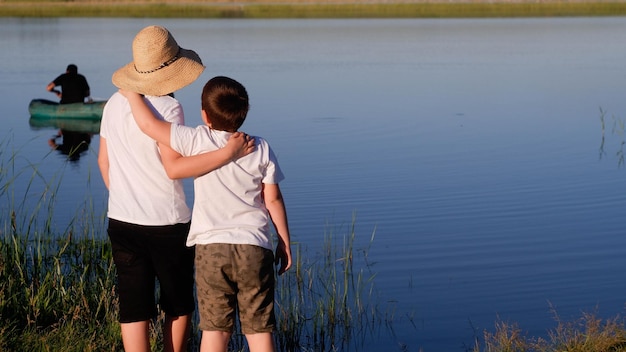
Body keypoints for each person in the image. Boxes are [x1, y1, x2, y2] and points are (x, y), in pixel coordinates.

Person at [97, 26, 254, 352]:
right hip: (166, 224)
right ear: (171, 69)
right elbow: (174, 168)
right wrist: (227, 153)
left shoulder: (113, 103)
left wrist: (126, 196)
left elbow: (103, 162)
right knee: (178, 303)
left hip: (121, 219)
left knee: (134, 304)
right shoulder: (169, 109)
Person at [120, 76, 293, 352]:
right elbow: (272, 198)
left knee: (215, 331)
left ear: (204, 115)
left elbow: (149, 126)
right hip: (255, 247)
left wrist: (132, 95)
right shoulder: (261, 147)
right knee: (260, 332)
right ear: (244, 113)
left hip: (212, 248)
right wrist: (284, 242)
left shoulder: (197, 138)